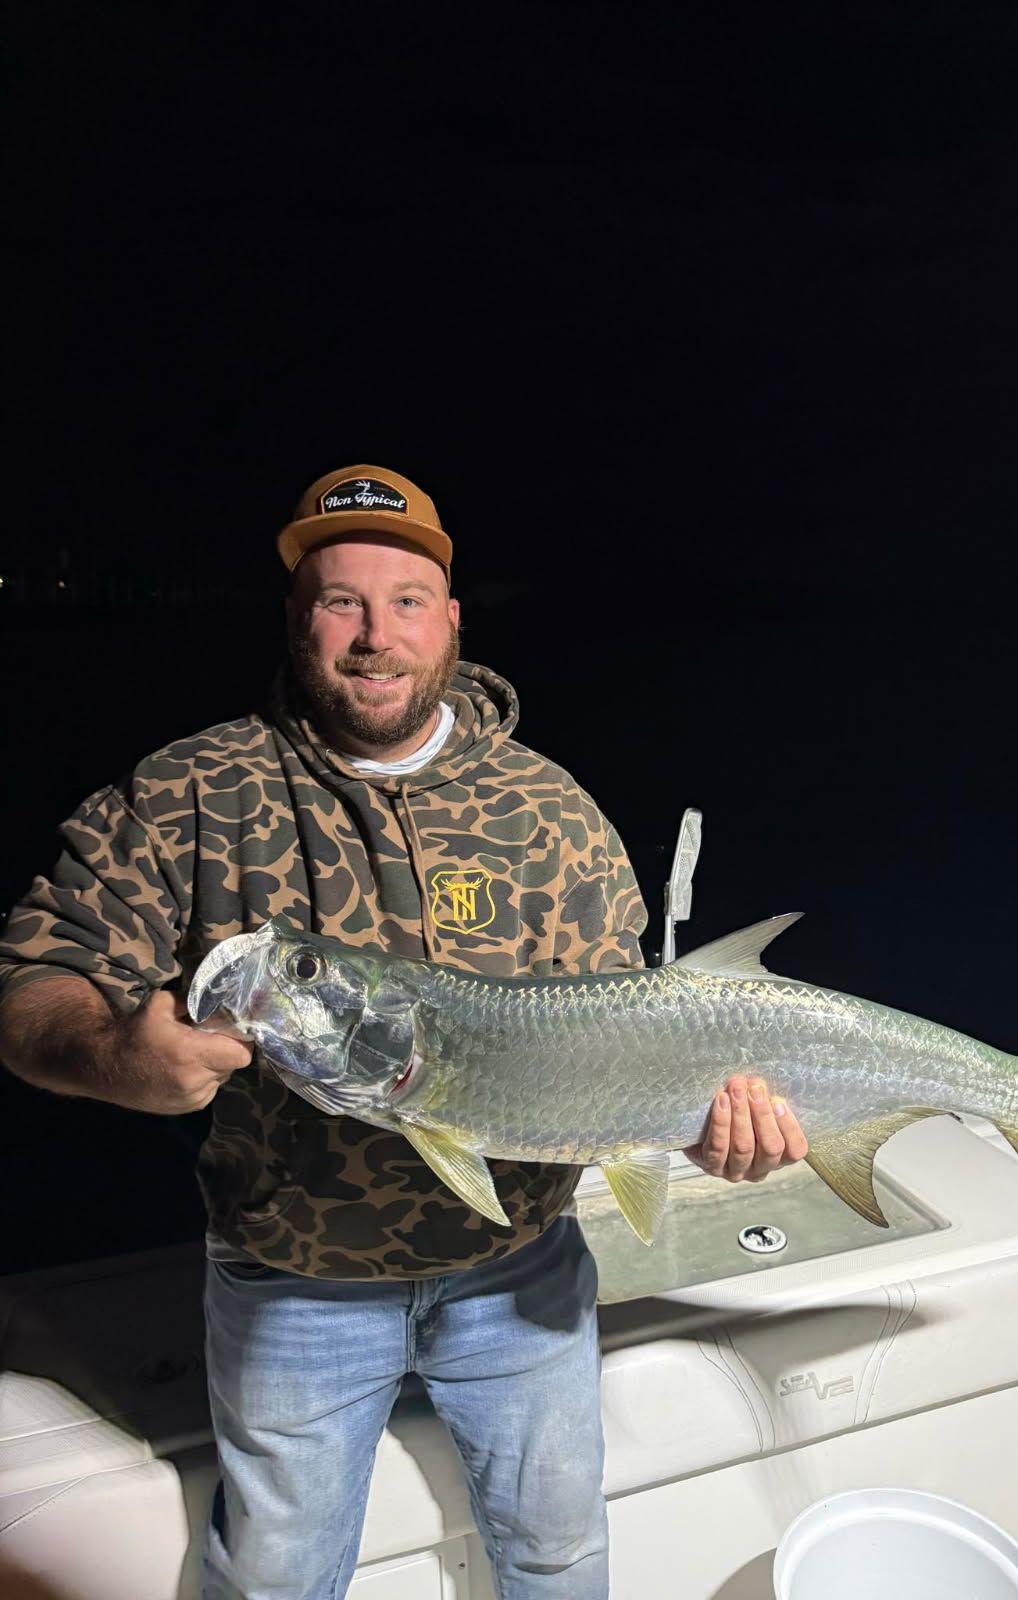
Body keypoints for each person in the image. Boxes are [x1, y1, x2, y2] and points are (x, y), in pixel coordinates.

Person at [0, 464, 808, 1600]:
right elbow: (34, 979)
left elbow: (625, 1036)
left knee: (560, 1554)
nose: (375, 634)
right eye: (340, 601)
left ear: (452, 622)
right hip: (292, 1285)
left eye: (406, 600)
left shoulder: (550, 810)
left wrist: (705, 1128)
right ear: (296, 620)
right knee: (278, 1574)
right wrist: (115, 1055)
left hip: (520, 1280)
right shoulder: (194, 793)